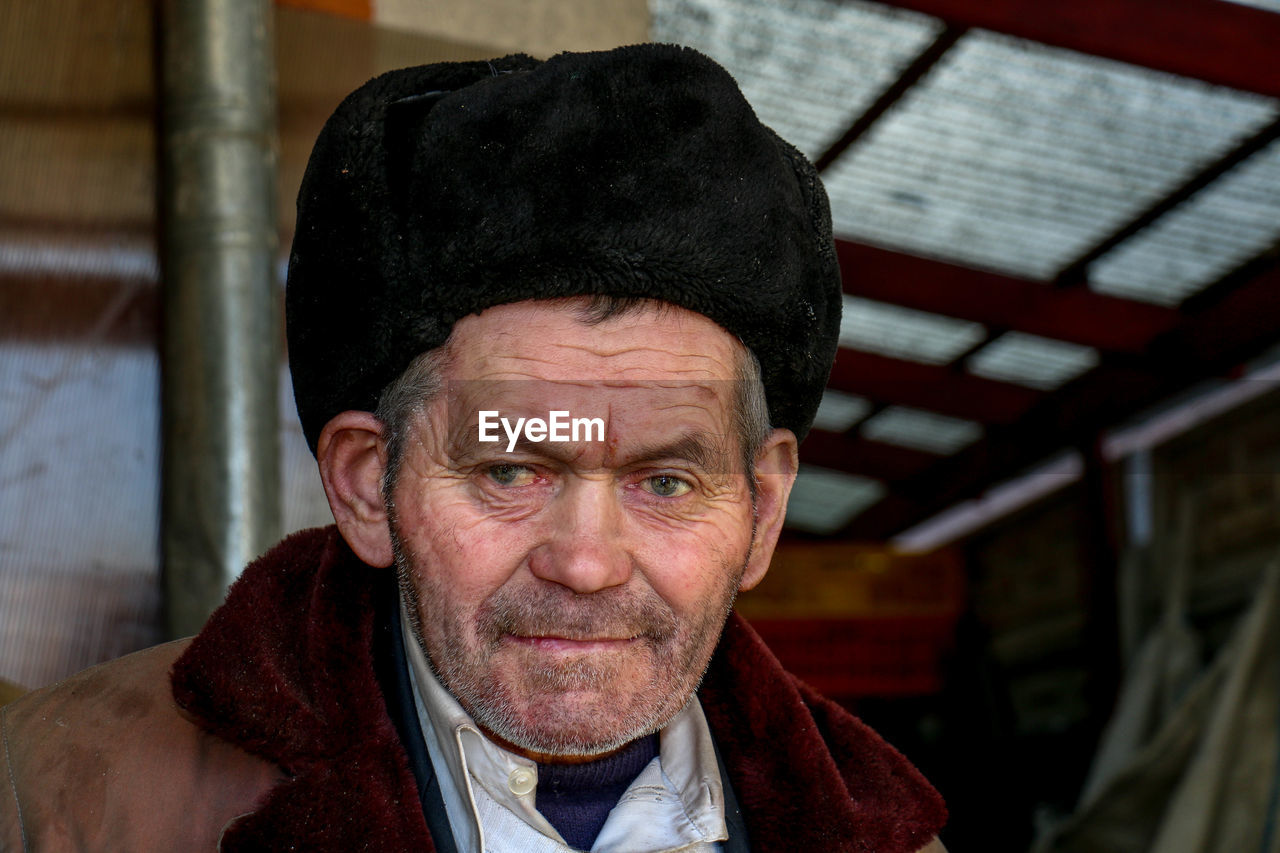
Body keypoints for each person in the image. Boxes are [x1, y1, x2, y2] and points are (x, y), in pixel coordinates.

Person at [0, 44, 947, 852]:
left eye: (664, 478)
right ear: (370, 484)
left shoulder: (889, 838)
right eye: (511, 468)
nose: (584, 562)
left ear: (763, 509)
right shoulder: (72, 797)